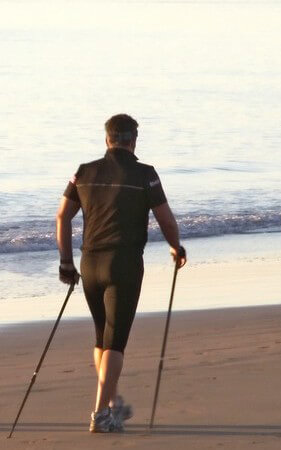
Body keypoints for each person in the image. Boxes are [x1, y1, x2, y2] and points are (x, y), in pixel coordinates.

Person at [56, 114, 187, 433]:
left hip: (89, 264)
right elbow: (166, 220)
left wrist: (66, 263)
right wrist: (176, 247)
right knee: (115, 342)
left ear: (107, 139)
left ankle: (113, 403)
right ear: (134, 141)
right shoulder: (145, 174)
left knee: (101, 336)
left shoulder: (83, 172)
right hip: (123, 265)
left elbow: (62, 217)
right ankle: (101, 414)